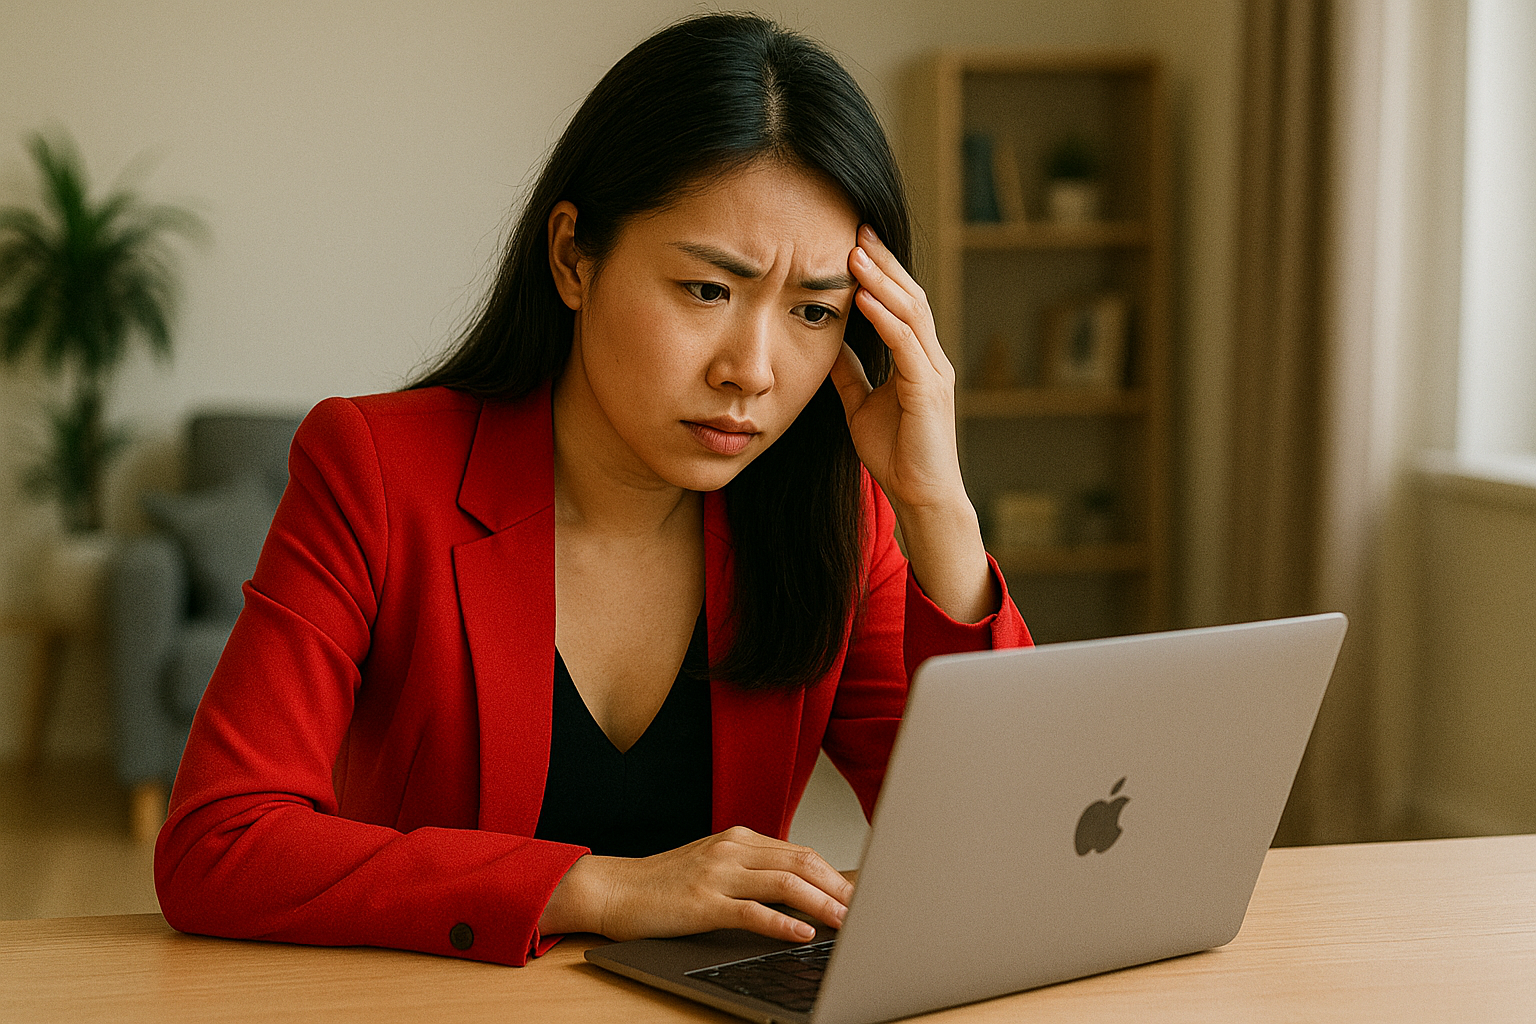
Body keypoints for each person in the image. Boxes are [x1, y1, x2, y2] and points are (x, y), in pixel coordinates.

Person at [154, 13, 1030, 967]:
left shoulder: (832, 514)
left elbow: (1004, 842)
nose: (755, 369)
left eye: (815, 311)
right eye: (707, 290)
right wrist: (601, 886)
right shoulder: (374, 469)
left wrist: (938, 510)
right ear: (574, 256)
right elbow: (220, 841)